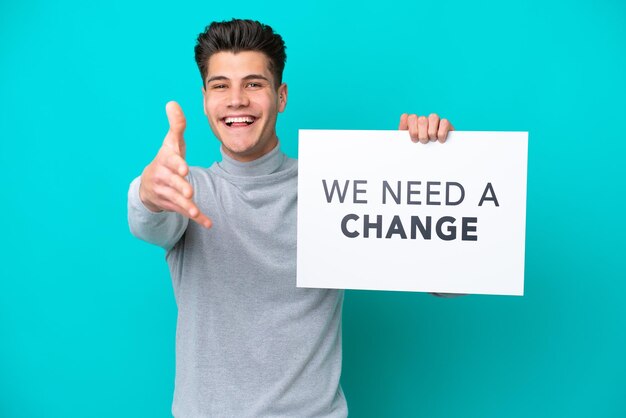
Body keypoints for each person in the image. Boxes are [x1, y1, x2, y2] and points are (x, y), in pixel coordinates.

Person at [128, 19, 454, 418]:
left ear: (280, 96)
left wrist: (431, 170)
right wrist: (149, 190)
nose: (236, 100)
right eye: (220, 86)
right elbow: (147, 219)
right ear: (204, 99)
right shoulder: (187, 189)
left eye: (253, 84)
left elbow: (449, 284)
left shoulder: (336, 188)